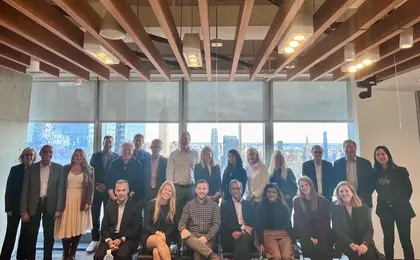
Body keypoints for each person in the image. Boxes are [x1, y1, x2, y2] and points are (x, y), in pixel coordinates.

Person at [20, 145, 64, 260]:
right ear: (40, 153)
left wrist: (59, 209)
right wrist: (23, 210)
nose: (48, 154)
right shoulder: (31, 168)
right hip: (34, 205)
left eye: (50, 152)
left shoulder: (59, 168)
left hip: (51, 206)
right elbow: (25, 190)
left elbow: (61, 190)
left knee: (49, 236)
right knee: (31, 236)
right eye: (45, 152)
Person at [373, 146, 415, 260]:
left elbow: (409, 189)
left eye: (383, 153)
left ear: (388, 155)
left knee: (405, 240)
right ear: (375, 158)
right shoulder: (375, 173)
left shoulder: (400, 171)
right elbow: (374, 189)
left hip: (402, 209)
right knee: (388, 239)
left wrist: (400, 201)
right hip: (384, 210)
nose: (381, 156)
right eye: (378, 155)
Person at [55, 149, 94, 259]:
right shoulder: (65, 168)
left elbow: (91, 189)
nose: (78, 157)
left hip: (80, 202)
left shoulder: (89, 169)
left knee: (78, 227)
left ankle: (72, 253)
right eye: (76, 155)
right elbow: (60, 186)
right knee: (66, 227)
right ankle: (65, 253)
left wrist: (88, 203)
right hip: (66, 201)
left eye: (80, 155)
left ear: (84, 157)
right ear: (73, 156)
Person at [331, 182, 384, 260]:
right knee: (357, 256)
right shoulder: (336, 209)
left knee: (372, 255)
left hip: (363, 241)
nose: (344, 193)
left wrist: (364, 244)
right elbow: (338, 230)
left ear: (352, 192)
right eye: (341, 191)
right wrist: (351, 244)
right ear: (338, 194)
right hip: (345, 242)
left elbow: (369, 228)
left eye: (346, 190)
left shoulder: (363, 207)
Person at [1, 147, 36, 260]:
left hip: (28, 208)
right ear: (22, 156)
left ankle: (21, 257)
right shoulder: (15, 169)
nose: (29, 157)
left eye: (31, 155)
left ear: (34, 157)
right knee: (10, 234)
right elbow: (9, 189)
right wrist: (8, 208)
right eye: (27, 154)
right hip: (14, 208)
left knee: (24, 235)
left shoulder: (36, 171)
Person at [93, 180, 142, 260]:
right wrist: (109, 241)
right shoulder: (109, 207)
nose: (121, 193)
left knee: (122, 256)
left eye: (123, 190)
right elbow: (104, 228)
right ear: (115, 192)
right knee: (98, 256)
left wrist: (121, 240)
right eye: (118, 190)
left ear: (128, 191)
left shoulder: (135, 206)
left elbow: (136, 228)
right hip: (110, 237)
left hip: (127, 238)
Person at [88, 135, 119, 252]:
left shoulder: (116, 157)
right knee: (94, 215)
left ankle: (106, 239)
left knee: (108, 215)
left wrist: (106, 186)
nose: (108, 144)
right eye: (106, 142)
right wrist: (97, 186)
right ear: (103, 143)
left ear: (113, 144)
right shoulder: (95, 156)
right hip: (96, 190)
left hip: (109, 190)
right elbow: (91, 172)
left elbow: (115, 174)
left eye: (110, 142)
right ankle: (94, 239)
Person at [178, 179, 221, 260]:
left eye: (204, 189)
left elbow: (216, 224)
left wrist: (207, 237)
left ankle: (213, 256)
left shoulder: (214, 205)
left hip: (208, 236)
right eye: (199, 188)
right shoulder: (189, 205)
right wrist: (183, 229)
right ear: (195, 190)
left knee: (199, 252)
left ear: (208, 190)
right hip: (192, 236)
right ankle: (212, 256)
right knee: (188, 237)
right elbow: (182, 222)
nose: (201, 191)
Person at [293, 176, 332, 260]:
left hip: (322, 234)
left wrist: (318, 237)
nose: (304, 187)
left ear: (311, 185)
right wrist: (310, 237)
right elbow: (299, 223)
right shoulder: (297, 201)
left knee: (323, 251)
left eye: (306, 185)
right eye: (301, 186)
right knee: (312, 250)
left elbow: (326, 221)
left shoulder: (322, 200)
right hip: (306, 235)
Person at [255, 184, 294, 260]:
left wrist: (293, 241)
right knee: (276, 257)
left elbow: (289, 224)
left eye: (274, 192)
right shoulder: (260, 206)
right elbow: (258, 226)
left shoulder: (284, 206)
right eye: (269, 192)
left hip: (284, 235)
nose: (271, 194)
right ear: (265, 193)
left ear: (277, 194)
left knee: (286, 256)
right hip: (268, 235)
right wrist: (260, 243)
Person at [333, 140, 376, 208]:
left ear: (356, 148)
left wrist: (363, 196)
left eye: (352, 147)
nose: (349, 149)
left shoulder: (365, 163)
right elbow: (336, 182)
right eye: (347, 147)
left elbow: (372, 182)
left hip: (363, 201)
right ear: (343, 149)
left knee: (364, 219)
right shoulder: (337, 164)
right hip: (345, 201)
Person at [166, 131, 197, 222]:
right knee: (177, 213)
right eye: (182, 139)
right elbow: (169, 173)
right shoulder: (173, 154)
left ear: (189, 140)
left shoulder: (195, 153)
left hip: (190, 188)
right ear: (179, 140)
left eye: (186, 139)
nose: (184, 141)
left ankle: (187, 235)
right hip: (177, 188)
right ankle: (177, 235)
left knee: (190, 214)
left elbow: (196, 170)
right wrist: (170, 189)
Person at [220, 179, 255, 260]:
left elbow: (253, 222)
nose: (236, 191)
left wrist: (241, 232)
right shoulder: (224, 205)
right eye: (234, 188)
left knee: (242, 240)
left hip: (247, 235)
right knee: (242, 242)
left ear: (242, 190)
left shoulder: (249, 204)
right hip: (231, 236)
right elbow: (226, 223)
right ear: (229, 190)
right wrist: (243, 227)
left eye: (238, 188)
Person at [144, 181, 177, 260]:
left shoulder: (173, 207)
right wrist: (157, 233)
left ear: (172, 194)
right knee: (158, 240)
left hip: (166, 238)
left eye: (170, 191)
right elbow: (146, 225)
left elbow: (172, 226)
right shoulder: (151, 203)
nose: (167, 192)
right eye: (165, 189)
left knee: (156, 252)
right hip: (150, 237)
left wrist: (164, 234)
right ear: (161, 190)